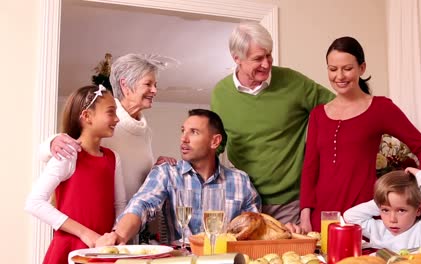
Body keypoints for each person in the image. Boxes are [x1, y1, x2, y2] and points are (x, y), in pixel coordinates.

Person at [299, 36, 421, 233]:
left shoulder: (380, 108)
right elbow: (310, 169)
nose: (339, 76)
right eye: (333, 69)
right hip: (321, 219)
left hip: (362, 217)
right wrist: (305, 217)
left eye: (347, 68)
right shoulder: (318, 115)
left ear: (362, 68)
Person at [39, 54, 177, 243]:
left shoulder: (145, 131)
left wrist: (156, 168)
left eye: (155, 85)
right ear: (125, 86)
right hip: (95, 230)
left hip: (126, 228)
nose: (155, 90)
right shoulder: (104, 121)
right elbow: (59, 150)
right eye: (148, 84)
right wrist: (52, 142)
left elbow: (133, 175)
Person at [211, 21, 335, 225]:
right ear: (237, 59)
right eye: (258, 58)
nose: (267, 64)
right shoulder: (220, 94)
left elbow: (338, 108)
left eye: (269, 54)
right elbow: (216, 145)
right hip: (245, 201)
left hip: (291, 202)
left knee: (289, 257)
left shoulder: (293, 82)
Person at [95, 109, 261, 246]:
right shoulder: (167, 173)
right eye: (183, 131)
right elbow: (141, 204)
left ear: (215, 141)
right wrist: (118, 235)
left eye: (194, 132)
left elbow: (256, 229)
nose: (184, 138)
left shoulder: (241, 181)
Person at [25, 85, 126, 264]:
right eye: (111, 112)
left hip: (102, 252)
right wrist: (86, 234)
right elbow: (34, 202)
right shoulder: (67, 155)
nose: (117, 119)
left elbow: (119, 204)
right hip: (69, 252)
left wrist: (114, 236)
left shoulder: (113, 158)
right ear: (87, 116)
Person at [343, 168, 421, 251]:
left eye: (401, 210)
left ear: (418, 210)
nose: (392, 219)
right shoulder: (378, 229)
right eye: (385, 210)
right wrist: (382, 198)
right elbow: (350, 216)